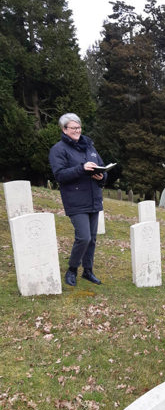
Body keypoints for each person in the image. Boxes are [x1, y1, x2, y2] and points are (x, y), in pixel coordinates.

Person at [49, 113, 107, 286]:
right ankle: (72, 269)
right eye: (73, 128)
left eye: (79, 127)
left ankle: (88, 271)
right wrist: (82, 168)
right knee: (83, 237)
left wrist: (101, 177)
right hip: (75, 199)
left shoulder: (89, 147)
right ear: (64, 129)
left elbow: (103, 168)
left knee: (93, 238)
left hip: (93, 198)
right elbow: (60, 175)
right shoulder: (58, 149)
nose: (77, 131)